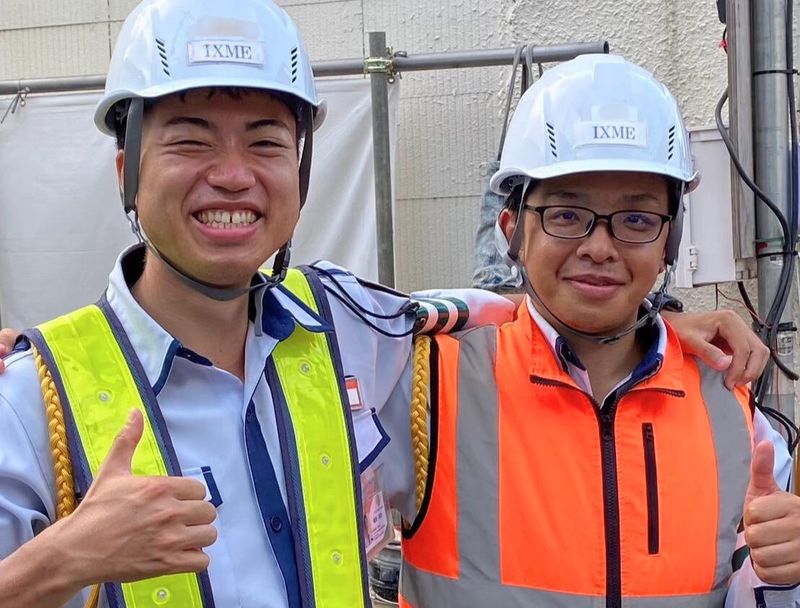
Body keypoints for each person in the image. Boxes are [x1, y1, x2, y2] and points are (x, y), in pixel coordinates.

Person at [0, 1, 771, 605]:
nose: (234, 174)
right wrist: (62, 561)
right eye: (191, 139)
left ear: (299, 171)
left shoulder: (348, 328)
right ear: (127, 168)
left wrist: (654, 323)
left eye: (265, 141)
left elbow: (518, 307)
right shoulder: (34, 397)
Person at [399, 54, 800, 608]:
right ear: (512, 230)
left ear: (669, 243)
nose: (599, 247)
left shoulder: (730, 408)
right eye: (566, 214)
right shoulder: (424, 382)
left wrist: (779, 576)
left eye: (637, 220)